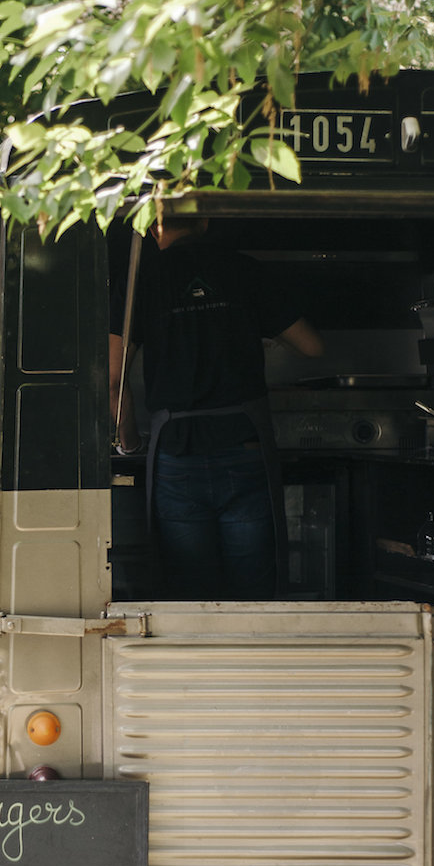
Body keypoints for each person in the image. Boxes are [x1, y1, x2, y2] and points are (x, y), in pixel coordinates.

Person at [109, 217, 323, 600]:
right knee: (253, 587)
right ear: (204, 222)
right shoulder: (244, 269)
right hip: (245, 446)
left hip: (176, 453)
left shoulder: (139, 282)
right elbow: (312, 347)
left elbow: (113, 377)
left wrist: (129, 441)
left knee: (189, 588)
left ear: (153, 226)